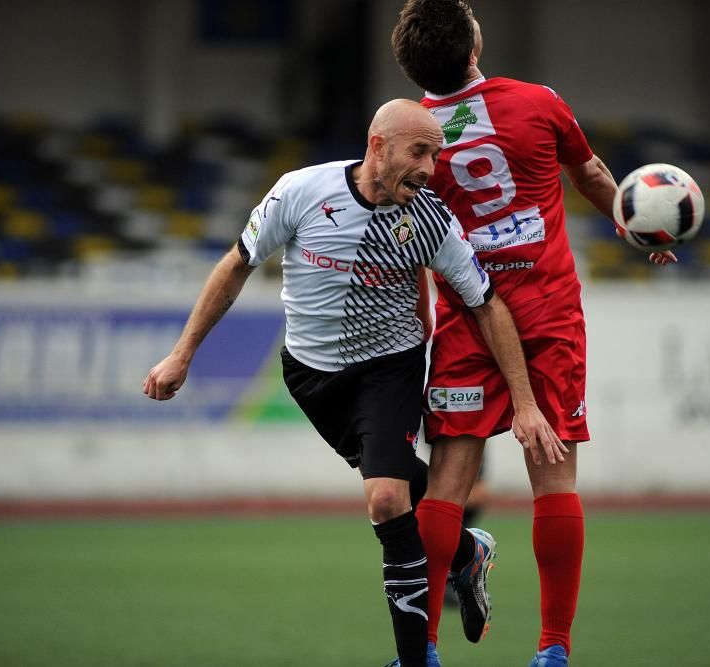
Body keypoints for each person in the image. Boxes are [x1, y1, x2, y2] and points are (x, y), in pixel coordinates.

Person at [142, 98, 560, 667]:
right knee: (404, 486)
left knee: (387, 499)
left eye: (436, 156)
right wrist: (181, 355)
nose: (429, 168)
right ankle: (467, 549)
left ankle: (415, 658)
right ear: (377, 146)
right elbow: (237, 263)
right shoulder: (300, 192)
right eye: (420, 152)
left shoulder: (432, 218)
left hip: (390, 369)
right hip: (309, 376)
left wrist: (526, 402)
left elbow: (486, 304)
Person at [391, 3, 678, 666]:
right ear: (474, 43)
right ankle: (553, 649)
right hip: (547, 313)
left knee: (446, 484)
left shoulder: (413, 132)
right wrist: (634, 224)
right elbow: (594, 176)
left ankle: (424, 648)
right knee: (554, 475)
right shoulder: (537, 102)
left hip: (467, 316)